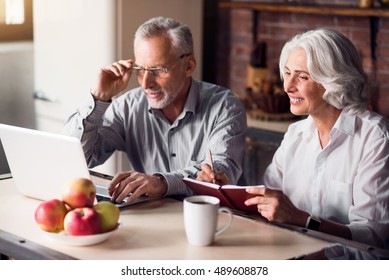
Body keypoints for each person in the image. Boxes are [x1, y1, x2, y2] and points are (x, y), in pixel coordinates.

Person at [63, 16, 246, 204]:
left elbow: (222, 172)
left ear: (189, 66)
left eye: (158, 70)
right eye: (140, 69)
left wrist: (162, 183)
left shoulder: (225, 106)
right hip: (155, 216)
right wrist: (99, 97)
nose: (145, 83)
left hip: (216, 219)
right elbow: (76, 158)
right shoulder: (127, 107)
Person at [244, 28, 389, 249]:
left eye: (302, 76)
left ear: (334, 80)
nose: (288, 86)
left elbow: (374, 236)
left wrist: (303, 220)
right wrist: (226, 190)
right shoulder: (295, 134)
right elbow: (266, 202)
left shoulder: (374, 136)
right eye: (287, 73)